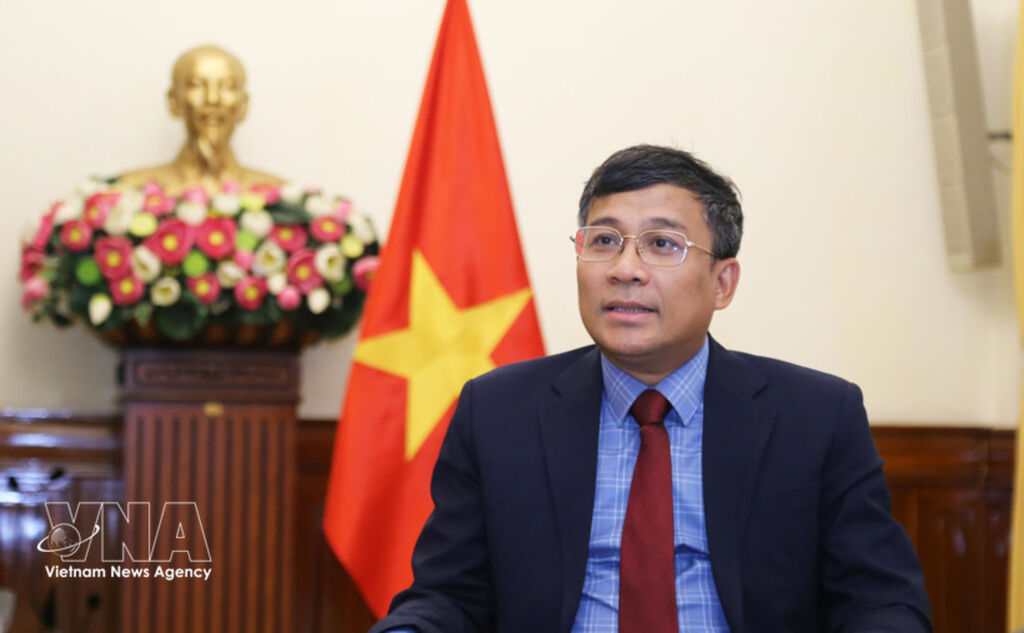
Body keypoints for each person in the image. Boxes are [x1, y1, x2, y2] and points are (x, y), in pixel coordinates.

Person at [370, 145, 932, 633]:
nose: (625, 269)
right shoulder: (498, 412)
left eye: (662, 244)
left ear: (723, 282)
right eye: (604, 240)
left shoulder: (816, 416)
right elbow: (450, 596)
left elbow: (880, 602)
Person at [116, 45, 282, 195]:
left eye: (227, 86)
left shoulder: (279, 195)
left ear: (244, 105)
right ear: (173, 101)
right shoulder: (130, 192)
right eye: (196, 85)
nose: (212, 99)